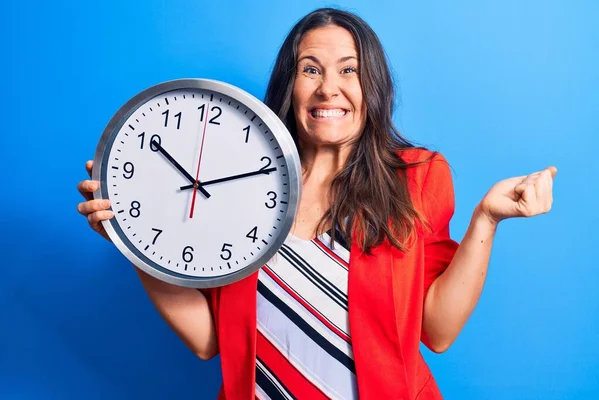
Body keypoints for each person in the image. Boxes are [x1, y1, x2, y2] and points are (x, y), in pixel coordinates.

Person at [76, 7, 556, 400]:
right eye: (311, 69)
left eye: (349, 70)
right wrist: (132, 242)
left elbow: (438, 331)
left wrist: (486, 220)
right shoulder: (232, 186)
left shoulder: (417, 176)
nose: (329, 87)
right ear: (291, 85)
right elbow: (207, 341)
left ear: (373, 86)